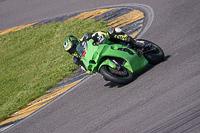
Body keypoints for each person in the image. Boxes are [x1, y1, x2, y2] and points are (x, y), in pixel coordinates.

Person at [63, 28, 146, 73]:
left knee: (113, 32)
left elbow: (96, 34)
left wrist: (101, 36)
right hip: (98, 58)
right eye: (70, 51)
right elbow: (86, 68)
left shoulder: (85, 38)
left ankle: (136, 42)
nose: (73, 50)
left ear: (75, 42)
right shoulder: (77, 58)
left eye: (73, 47)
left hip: (105, 45)